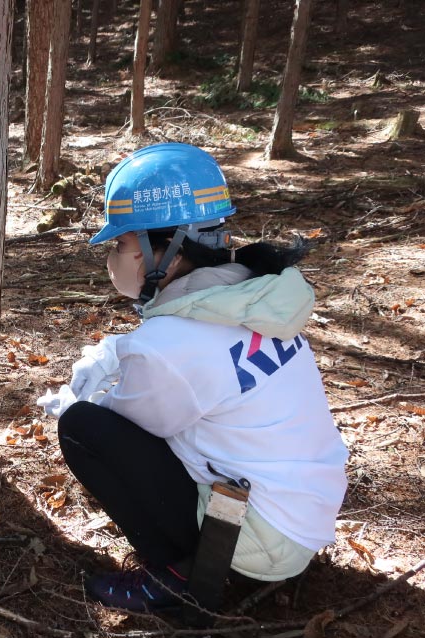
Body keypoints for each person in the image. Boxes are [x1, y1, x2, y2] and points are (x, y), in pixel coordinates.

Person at [37, 143, 348, 612]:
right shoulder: (253, 297)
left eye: (120, 244)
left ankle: (180, 579)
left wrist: (78, 400)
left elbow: (126, 426)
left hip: (256, 542)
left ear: (162, 250)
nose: (113, 258)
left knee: (84, 428)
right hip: (305, 515)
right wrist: (119, 352)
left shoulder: (170, 343)